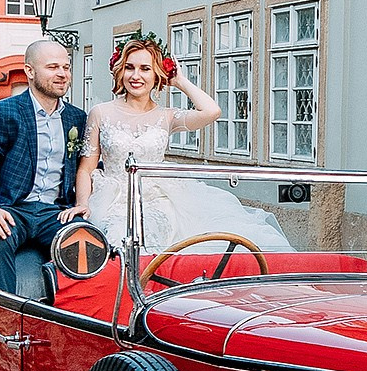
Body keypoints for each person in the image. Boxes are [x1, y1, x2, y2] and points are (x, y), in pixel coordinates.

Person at [76, 35, 291, 254]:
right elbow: (86, 168)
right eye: (130, 68)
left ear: (157, 74)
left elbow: (211, 111)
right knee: (117, 241)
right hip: (111, 200)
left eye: (145, 69)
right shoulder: (101, 112)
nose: (136, 76)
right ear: (120, 71)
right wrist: (82, 203)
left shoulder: (167, 116)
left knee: (159, 239)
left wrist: (180, 81)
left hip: (158, 200)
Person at [0, 40, 89, 293]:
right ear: (30, 71)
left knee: (87, 244)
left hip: (55, 211)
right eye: (53, 67)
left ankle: (74, 323)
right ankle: (2, 318)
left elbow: (88, 169)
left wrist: (81, 204)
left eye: (66, 67)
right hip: (11, 208)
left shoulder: (77, 118)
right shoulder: (3, 113)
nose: (62, 74)